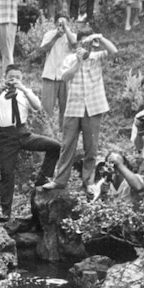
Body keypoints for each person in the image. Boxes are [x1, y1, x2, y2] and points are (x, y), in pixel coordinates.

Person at [0, 64, 62, 220]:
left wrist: (24, 89)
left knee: (54, 146)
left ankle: (42, 180)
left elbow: (37, 106)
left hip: (23, 133)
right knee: (6, 173)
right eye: (11, 76)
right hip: (5, 137)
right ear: (5, 77)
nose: (14, 80)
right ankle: (6, 211)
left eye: (17, 77)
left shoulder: (24, 93)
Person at [42, 28, 118, 190]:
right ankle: (60, 180)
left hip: (94, 106)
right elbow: (65, 77)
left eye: (88, 43)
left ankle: (88, 181)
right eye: (82, 43)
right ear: (77, 44)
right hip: (73, 107)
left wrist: (100, 37)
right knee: (67, 144)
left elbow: (114, 52)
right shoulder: (70, 59)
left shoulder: (97, 57)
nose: (85, 46)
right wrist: (79, 61)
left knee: (91, 146)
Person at [39, 13, 77, 128]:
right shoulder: (49, 34)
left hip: (65, 76)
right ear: (55, 23)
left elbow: (74, 44)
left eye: (64, 22)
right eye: (59, 22)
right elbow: (43, 49)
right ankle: (47, 132)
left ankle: (64, 133)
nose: (61, 25)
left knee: (66, 109)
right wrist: (56, 36)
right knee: (46, 109)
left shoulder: (72, 35)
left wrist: (66, 28)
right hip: (50, 75)